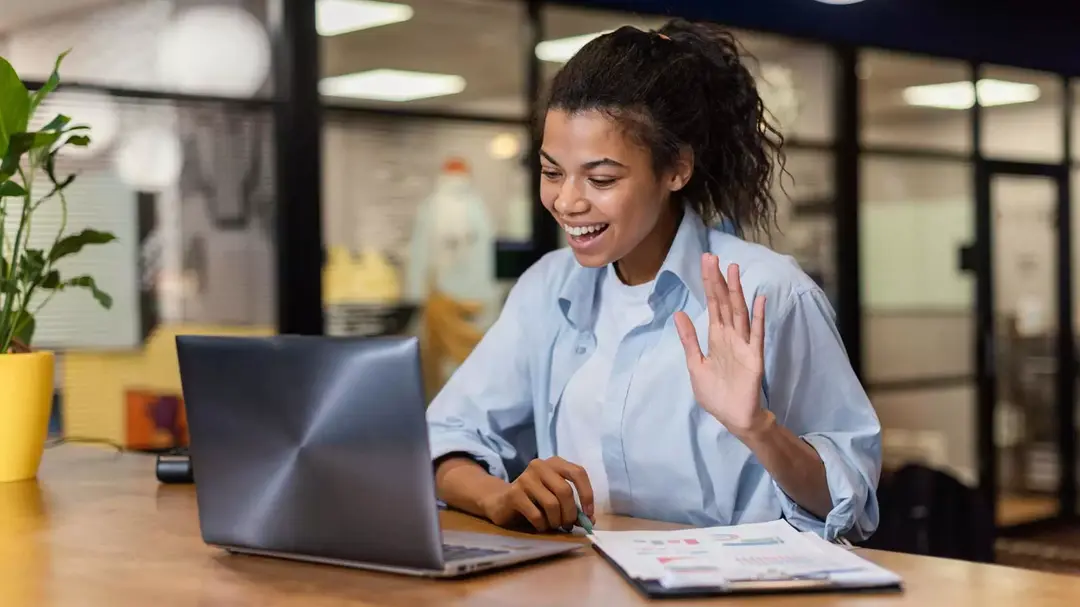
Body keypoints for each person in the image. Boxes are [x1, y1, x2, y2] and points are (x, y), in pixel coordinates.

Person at [425, 19, 881, 543]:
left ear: (676, 170)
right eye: (553, 172)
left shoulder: (768, 293)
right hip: (582, 584)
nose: (568, 202)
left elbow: (851, 499)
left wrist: (759, 429)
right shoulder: (547, 289)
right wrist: (500, 496)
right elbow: (446, 437)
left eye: (601, 179)